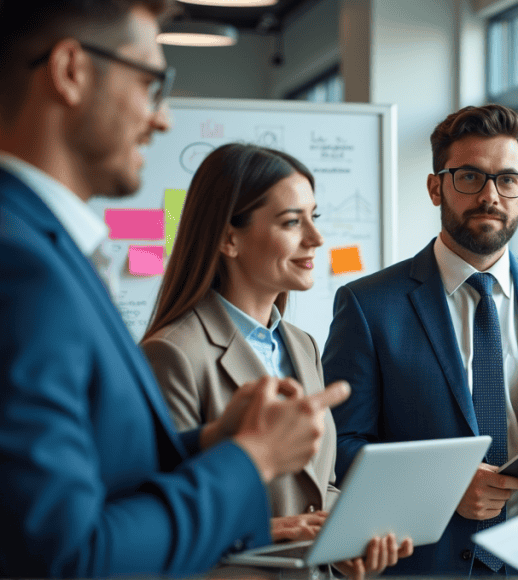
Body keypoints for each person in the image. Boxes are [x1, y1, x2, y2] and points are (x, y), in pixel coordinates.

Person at [0, 2, 348, 576]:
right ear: (70, 71)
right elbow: (67, 557)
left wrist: (212, 440)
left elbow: (98, 478)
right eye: (151, 83)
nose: (162, 119)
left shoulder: (50, 249)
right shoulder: (21, 266)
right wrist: (249, 458)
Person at [321, 104, 518, 575]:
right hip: (425, 564)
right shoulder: (369, 305)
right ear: (436, 186)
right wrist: (441, 491)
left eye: (508, 180)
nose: (491, 196)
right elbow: (341, 445)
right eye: (470, 178)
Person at [141, 142, 412, 579]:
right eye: (291, 222)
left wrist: (350, 535)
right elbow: (156, 516)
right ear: (229, 238)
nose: (316, 238)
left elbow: (315, 484)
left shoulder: (302, 344)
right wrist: (268, 534)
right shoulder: (172, 354)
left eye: (314, 217)